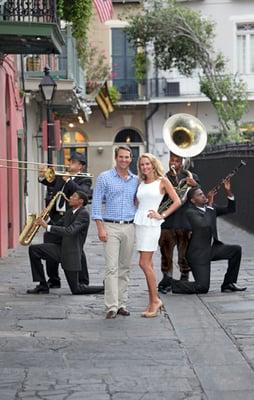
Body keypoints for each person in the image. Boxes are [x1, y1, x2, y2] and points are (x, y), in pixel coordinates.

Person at [171, 181, 247, 294]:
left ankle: (228, 284)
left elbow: (231, 209)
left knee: (236, 250)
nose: (203, 196)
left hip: (212, 249)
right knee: (202, 288)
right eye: (199, 195)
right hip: (198, 255)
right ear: (193, 200)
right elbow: (204, 225)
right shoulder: (190, 212)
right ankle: (172, 284)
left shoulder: (211, 208)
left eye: (203, 193)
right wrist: (210, 204)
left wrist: (228, 192)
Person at [92, 145, 139, 319]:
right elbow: (96, 204)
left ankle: (122, 304)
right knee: (111, 268)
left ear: (131, 159)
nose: (124, 160)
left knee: (124, 268)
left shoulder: (135, 180)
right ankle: (111, 306)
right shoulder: (104, 178)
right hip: (110, 226)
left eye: (127, 157)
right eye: (121, 157)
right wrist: (100, 227)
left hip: (129, 226)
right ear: (116, 157)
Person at [27, 191, 103, 295]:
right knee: (34, 250)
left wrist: (46, 226)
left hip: (71, 254)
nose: (70, 197)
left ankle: (105, 288)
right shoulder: (69, 212)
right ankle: (42, 285)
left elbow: (70, 231)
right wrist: (47, 219)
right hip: (60, 249)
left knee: (76, 289)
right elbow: (57, 226)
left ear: (81, 201)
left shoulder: (83, 214)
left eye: (74, 196)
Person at [134, 153, 181, 318]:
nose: (145, 167)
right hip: (139, 223)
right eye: (142, 165)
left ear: (153, 165)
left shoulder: (162, 181)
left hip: (151, 225)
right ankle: (152, 300)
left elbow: (177, 201)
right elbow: (139, 202)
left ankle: (155, 301)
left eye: (147, 164)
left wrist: (162, 215)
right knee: (148, 265)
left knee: (143, 263)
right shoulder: (141, 182)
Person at [39, 152, 92, 288]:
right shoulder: (61, 176)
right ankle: (53, 279)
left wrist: (69, 180)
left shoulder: (85, 179)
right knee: (49, 246)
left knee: (76, 249)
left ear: (81, 166)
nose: (70, 164)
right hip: (56, 217)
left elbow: (83, 194)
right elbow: (48, 181)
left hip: (72, 217)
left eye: (73, 162)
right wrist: (41, 175)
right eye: (70, 161)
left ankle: (83, 280)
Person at [158, 152, 199, 293]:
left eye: (177, 160)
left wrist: (195, 186)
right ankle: (167, 279)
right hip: (167, 223)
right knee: (166, 254)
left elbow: (199, 199)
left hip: (185, 222)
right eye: (172, 160)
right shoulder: (162, 177)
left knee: (184, 255)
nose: (174, 163)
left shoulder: (191, 177)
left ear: (182, 162)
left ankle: (184, 280)